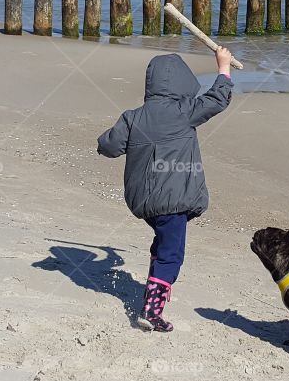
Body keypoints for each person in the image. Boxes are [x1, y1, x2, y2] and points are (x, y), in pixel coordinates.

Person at [97, 48, 234, 331]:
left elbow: (109, 146)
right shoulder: (184, 111)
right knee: (173, 253)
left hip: (144, 201)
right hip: (173, 200)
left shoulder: (133, 117)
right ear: (182, 83)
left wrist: (104, 141)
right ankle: (151, 309)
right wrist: (223, 68)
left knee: (163, 242)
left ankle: (154, 285)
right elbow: (217, 99)